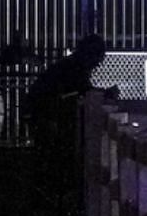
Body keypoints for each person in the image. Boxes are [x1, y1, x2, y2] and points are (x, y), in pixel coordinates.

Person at [23, 33, 108, 199]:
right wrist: (106, 93)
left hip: (42, 113)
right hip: (46, 115)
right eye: (99, 58)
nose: (98, 64)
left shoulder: (70, 65)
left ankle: (45, 192)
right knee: (54, 154)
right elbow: (85, 90)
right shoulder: (76, 68)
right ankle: (51, 192)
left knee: (48, 154)